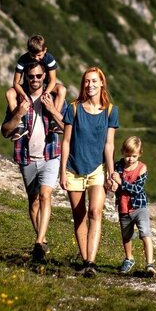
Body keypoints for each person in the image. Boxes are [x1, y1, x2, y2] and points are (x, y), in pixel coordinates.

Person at [1, 60, 65, 263]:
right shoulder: (19, 99)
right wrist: (19, 113)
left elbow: (68, 129)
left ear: (45, 75)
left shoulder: (53, 97)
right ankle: (43, 240)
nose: (35, 80)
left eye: (39, 76)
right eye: (31, 77)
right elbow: (5, 131)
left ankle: (38, 242)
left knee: (46, 195)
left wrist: (52, 110)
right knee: (33, 202)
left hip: (51, 155)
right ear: (25, 78)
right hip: (26, 157)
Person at [59, 66, 119, 277]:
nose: (90, 85)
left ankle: (91, 263)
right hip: (74, 169)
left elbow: (109, 146)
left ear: (102, 83)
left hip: (97, 170)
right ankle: (85, 261)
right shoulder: (73, 109)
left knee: (95, 212)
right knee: (79, 216)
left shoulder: (111, 111)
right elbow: (65, 142)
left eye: (94, 81)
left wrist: (111, 173)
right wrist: (61, 171)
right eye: (87, 81)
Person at [109, 135, 155, 277]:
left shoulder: (142, 168)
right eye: (128, 155)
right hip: (123, 207)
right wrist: (112, 184)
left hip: (139, 207)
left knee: (145, 233)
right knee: (126, 236)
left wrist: (121, 182)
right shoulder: (118, 165)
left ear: (139, 154)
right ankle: (129, 258)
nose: (130, 159)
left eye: (134, 156)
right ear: (123, 152)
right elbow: (112, 179)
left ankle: (150, 264)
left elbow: (137, 189)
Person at [5, 34, 66, 141]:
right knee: (9, 93)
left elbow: (52, 80)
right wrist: (23, 94)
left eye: (39, 55)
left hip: (46, 85)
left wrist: (46, 92)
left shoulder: (49, 58)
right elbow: (16, 82)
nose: (37, 59)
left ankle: (53, 121)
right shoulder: (23, 60)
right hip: (26, 85)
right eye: (33, 56)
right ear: (28, 51)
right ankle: (20, 124)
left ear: (45, 50)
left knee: (62, 89)